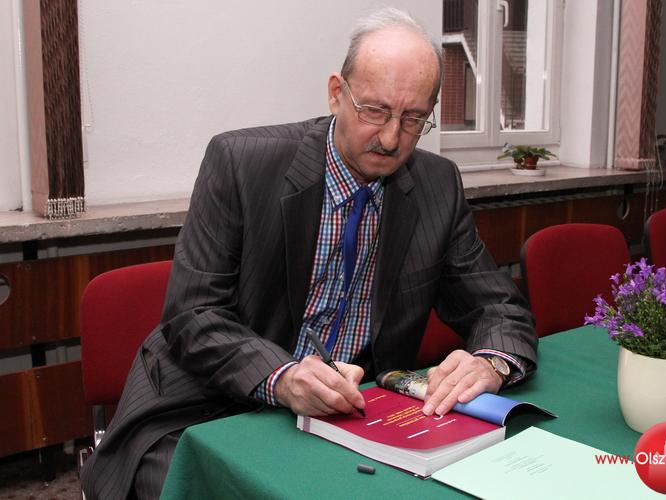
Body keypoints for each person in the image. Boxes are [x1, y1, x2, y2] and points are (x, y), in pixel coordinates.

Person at [80, 7, 537, 499]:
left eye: (413, 119)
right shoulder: (240, 163)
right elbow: (194, 314)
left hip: (348, 414)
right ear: (337, 92)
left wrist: (490, 363)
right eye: (375, 111)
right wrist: (282, 377)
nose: (390, 138)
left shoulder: (436, 185)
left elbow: (499, 307)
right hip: (206, 404)